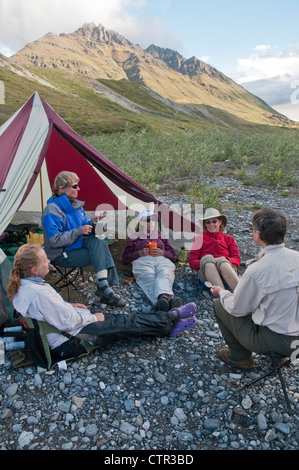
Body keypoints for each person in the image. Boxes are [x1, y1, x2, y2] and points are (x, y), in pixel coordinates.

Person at [7, 244, 198, 360]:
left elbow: (48, 313)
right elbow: (67, 322)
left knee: (120, 319)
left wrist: (70, 306)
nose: (48, 261)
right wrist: (91, 318)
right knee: (125, 324)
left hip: (62, 332)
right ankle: (170, 320)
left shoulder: (23, 286)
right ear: (33, 269)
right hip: (70, 340)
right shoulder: (39, 293)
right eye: (44, 260)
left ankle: (165, 319)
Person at [211, 207, 299, 371]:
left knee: (220, 306)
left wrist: (222, 293)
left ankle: (240, 358)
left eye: (253, 229)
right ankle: (279, 357)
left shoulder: (258, 270)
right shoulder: (297, 257)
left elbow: (237, 309)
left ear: (258, 234)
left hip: (278, 339)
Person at [42, 171, 127, 308]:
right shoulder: (52, 210)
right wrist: (78, 231)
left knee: (99, 242)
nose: (78, 189)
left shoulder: (76, 206)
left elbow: (83, 226)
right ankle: (104, 288)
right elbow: (54, 240)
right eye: (75, 186)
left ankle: (103, 285)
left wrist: (93, 221)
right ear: (61, 188)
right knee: (100, 250)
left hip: (77, 247)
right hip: (61, 254)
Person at [122, 210, 182, 311]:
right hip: (142, 261)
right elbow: (125, 259)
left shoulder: (161, 235)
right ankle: (167, 301)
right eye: (148, 220)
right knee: (148, 276)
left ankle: (162, 301)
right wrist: (139, 253)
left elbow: (174, 256)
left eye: (153, 220)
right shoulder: (133, 237)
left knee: (164, 273)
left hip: (162, 260)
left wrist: (162, 253)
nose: (151, 223)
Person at [189, 207, 240, 291]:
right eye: (208, 222)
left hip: (226, 275)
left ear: (220, 222)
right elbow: (192, 262)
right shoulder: (199, 239)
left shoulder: (229, 239)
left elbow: (237, 260)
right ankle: (222, 297)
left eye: (214, 221)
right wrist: (209, 261)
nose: (211, 224)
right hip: (207, 277)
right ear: (205, 224)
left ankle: (241, 295)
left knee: (223, 262)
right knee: (208, 259)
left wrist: (220, 260)